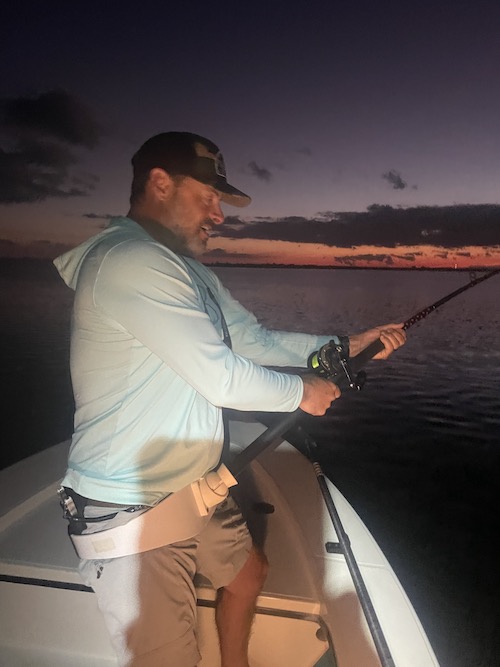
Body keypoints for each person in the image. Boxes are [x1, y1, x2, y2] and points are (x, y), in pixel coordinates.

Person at [54, 131, 406, 667]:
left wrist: (345, 346)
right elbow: (222, 379)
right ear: (160, 184)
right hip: (129, 509)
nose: (219, 215)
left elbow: (253, 341)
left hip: (192, 485)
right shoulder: (127, 260)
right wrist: (303, 391)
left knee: (249, 574)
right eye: (209, 197)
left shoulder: (187, 271)